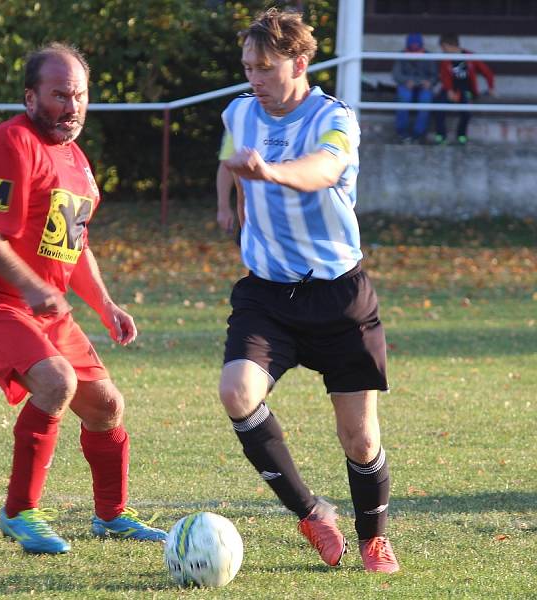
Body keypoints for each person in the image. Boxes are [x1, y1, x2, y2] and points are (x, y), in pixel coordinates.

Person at [0, 42, 167, 554]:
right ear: (30, 97)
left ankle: (111, 517)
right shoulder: (8, 145)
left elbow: (74, 242)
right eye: (60, 94)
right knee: (55, 381)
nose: (72, 106)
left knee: (107, 406)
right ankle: (19, 511)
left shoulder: (78, 161)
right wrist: (28, 286)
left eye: (79, 95)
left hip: (42, 305)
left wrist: (105, 305)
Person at [218, 8, 399, 574]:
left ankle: (373, 538)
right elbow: (232, 153)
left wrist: (271, 172)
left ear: (299, 63)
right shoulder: (240, 111)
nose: (255, 79)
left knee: (359, 438)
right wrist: (226, 197)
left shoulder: (334, 118)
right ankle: (311, 512)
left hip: (339, 297)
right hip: (267, 294)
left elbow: (324, 168)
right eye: (248, 67)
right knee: (237, 392)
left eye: (266, 68)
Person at [434, 33, 495, 145]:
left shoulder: (469, 56)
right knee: (438, 108)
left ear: (448, 45)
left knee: (466, 112)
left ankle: (461, 136)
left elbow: (487, 72)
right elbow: (444, 77)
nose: (442, 50)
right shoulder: (445, 59)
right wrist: (449, 90)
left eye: (443, 47)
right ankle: (441, 136)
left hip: (466, 90)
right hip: (449, 89)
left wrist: (491, 87)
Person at [391, 33, 437, 143]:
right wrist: (406, 81)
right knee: (404, 97)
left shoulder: (428, 56)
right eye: (412, 49)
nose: (415, 51)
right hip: (407, 85)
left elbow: (434, 75)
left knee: (426, 98)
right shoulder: (402, 55)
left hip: (424, 87)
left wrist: (429, 82)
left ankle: (419, 133)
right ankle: (402, 132)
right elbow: (396, 74)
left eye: (417, 49)